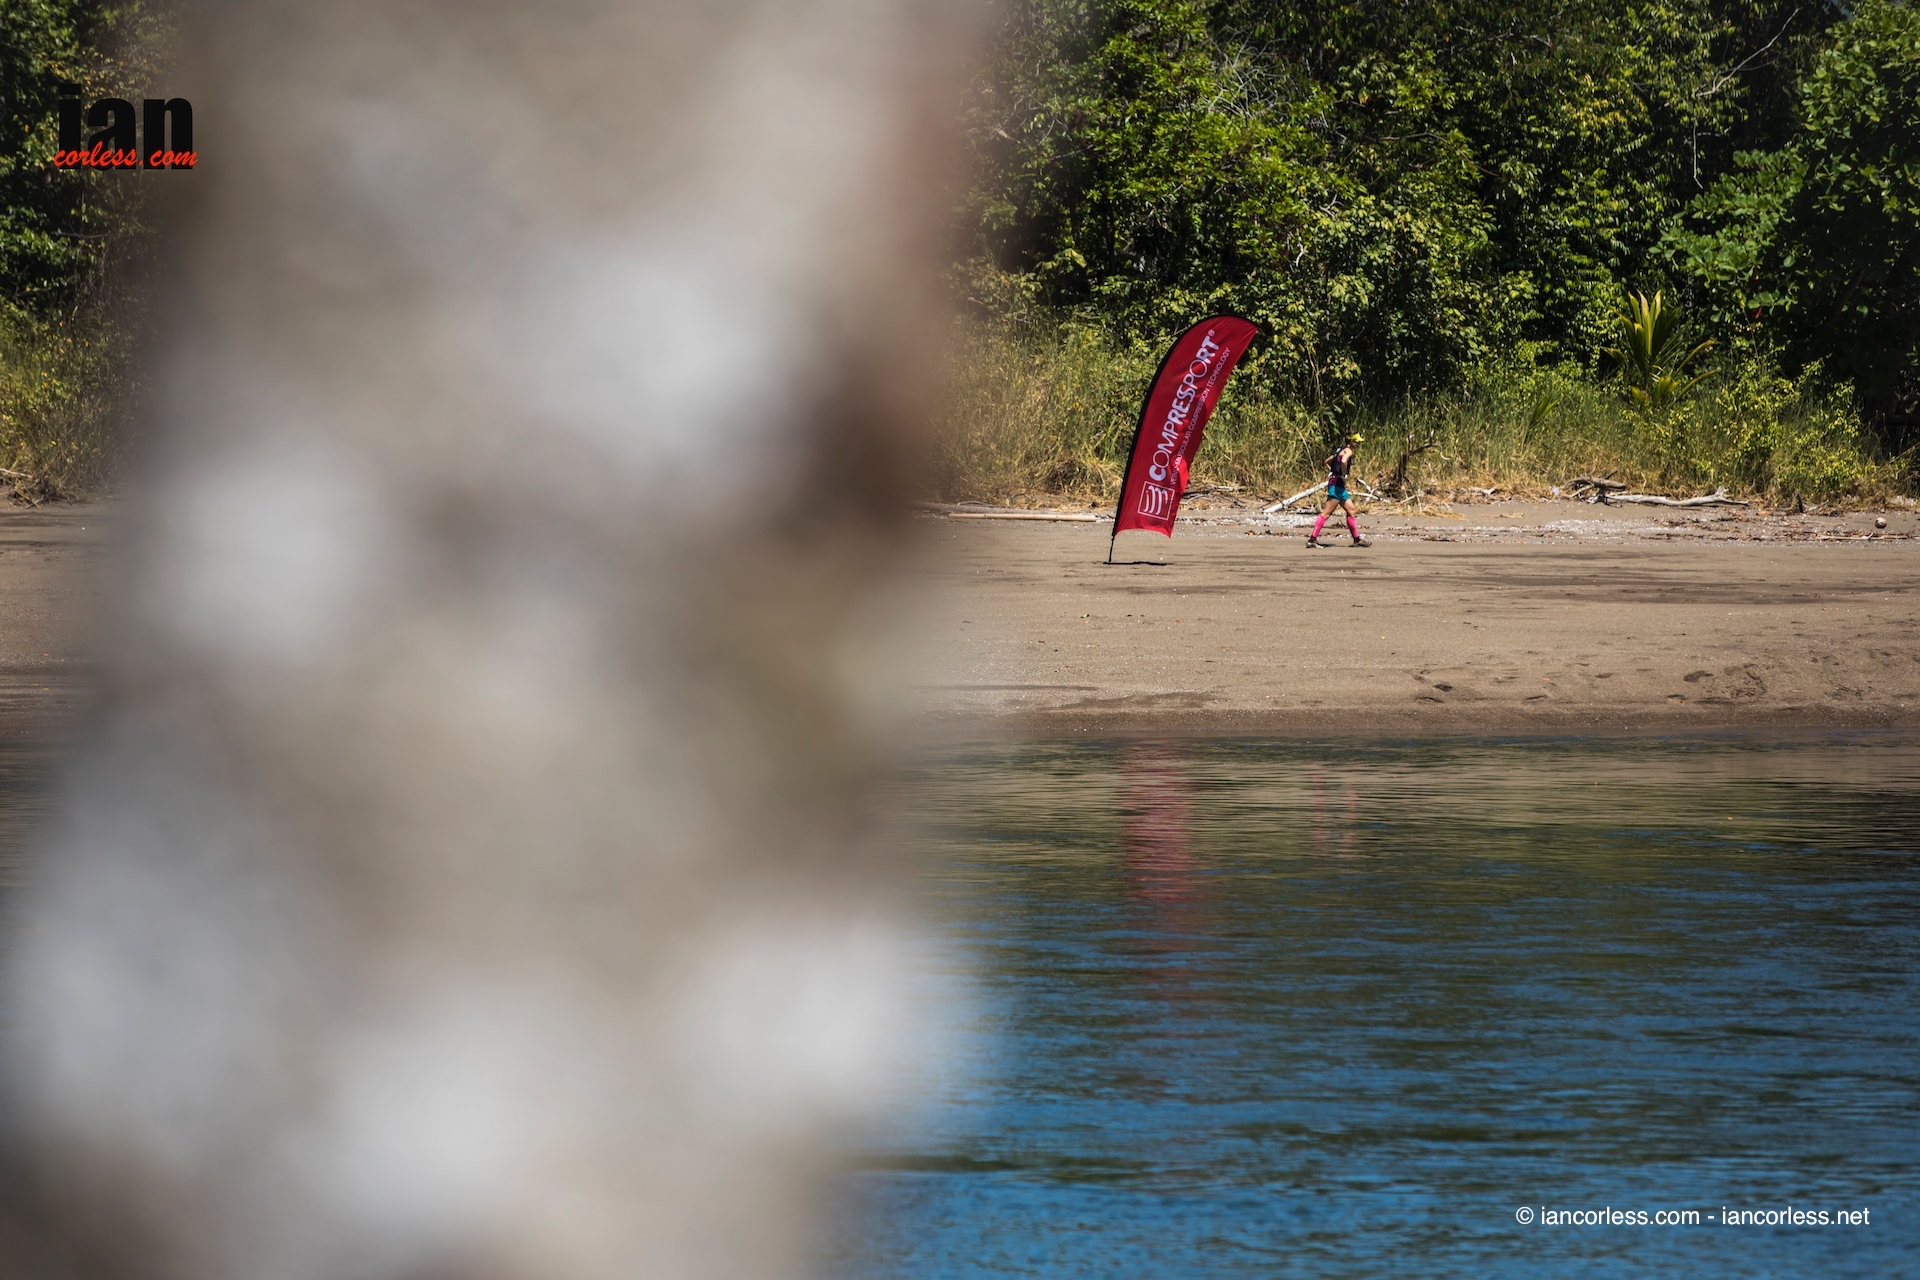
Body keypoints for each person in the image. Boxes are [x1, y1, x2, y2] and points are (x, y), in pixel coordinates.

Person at [1308, 435, 1370, 548]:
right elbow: (1344, 461)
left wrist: (1332, 472)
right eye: (1357, 442)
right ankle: (1312, 539)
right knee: (1326, 513)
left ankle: (1357, 540)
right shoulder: (1348, 451)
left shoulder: (1339, 450)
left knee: (1351, 510)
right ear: (1351, 441)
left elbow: (1326, 462)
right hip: (1336, 485)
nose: (1358, 444)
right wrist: (1343, 475)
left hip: (1338, 485)